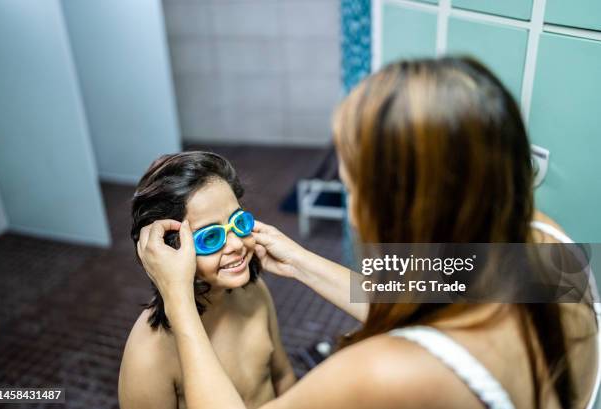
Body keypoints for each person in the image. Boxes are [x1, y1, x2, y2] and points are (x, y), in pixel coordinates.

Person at [136, 57, 599, 409]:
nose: (353, 209)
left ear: (400, 209)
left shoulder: (385, 372)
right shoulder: (547, 244)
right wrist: (299, 260)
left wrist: (177, 299)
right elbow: (440, 286)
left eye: (352, 187)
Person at [119, 152, 295, 409]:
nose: (236, 244)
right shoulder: (148, 353)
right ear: (169, 250)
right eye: (211, 238)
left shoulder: (254, 292)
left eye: (238, 223)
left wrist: (300, 261)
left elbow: (283, 376)